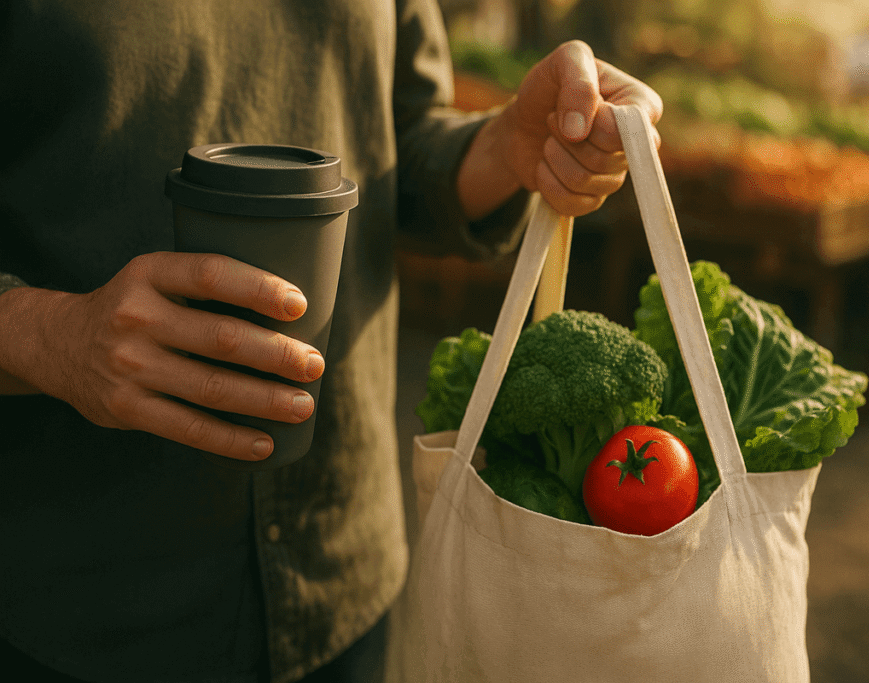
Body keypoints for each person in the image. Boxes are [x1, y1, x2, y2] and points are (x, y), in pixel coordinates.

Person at [0, 1, 662, 681]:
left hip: (344, 578)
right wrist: (47, 335)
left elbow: (394, 142)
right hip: (70, 596)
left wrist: (506, 144)